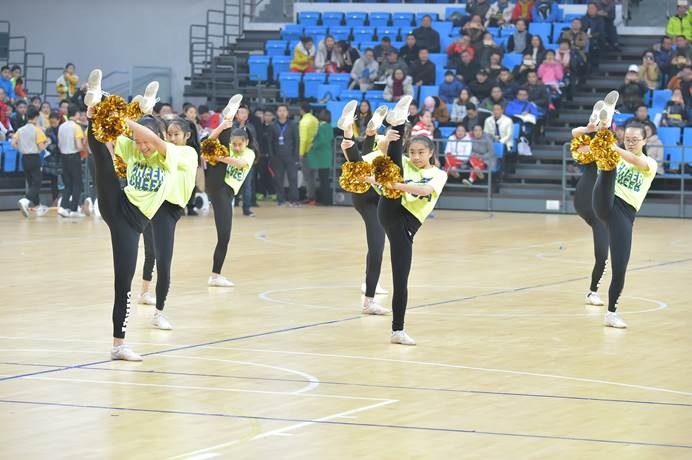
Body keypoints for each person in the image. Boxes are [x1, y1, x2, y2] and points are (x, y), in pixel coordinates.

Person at [84, 71, 184, 360]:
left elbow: (149, 136)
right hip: (117, 205)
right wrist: (100, 115)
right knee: (101, 156)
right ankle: (93, 101)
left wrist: (133, 115)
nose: (141, 146)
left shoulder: (169, 155)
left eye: (145, 142)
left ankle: (118, 345)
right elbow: (108, 137)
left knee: (123, 283)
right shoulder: (133, 149)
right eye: (138, 142)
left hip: (132, 225)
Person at [365, 96, 448, 344]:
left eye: (421, 152)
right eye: (412, 152)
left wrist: (396, 185)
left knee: (401, 279)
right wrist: (387, 140)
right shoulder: (406, 165)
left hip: (405, 224)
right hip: (391, 209)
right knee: (394, 165)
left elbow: (424, 190)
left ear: (431, 153)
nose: (416, 156)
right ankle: (398, 123)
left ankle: (397, 331)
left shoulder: (438, 174)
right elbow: (385, 158)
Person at [591, 120, 658, 329]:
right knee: (608, 166)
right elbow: (589, 150)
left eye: (635, 140)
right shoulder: (616, 155)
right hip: (605, 200)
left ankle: (611, 314)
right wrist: (596, 135)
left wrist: (613, 148)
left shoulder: (649, 163)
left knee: (619, 267)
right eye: (627, 139)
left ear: (644, 141)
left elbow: (635, 160)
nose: (630, 143)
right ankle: (604, 124)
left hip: (624, 213)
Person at [135, 117, 198, 328]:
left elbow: (157, 142)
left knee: (163, 261)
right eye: (169, 134)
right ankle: (148, 297)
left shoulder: (188, 153)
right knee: (153, 254)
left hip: (170, 209)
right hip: (157, 205)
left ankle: (158, 311)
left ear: (187, 136)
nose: (172, 138)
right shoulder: (163, 150)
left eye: (176, 135)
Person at [336, 100, 389, 310]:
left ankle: (348, 128)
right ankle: (369, 299)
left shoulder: (376, 154)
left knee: (358, 158)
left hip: (365, 196)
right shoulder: (382, 156)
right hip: (370, 199)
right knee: (377, 248)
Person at [204, 96, 255, 288]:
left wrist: (218, 157)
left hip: (224, 192)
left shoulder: (249, 153)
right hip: (219, 186)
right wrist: (221, 131)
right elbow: (211, 144)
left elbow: (240, 164)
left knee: (224, 236)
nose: (236, 147)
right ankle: (228, 117)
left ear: (247, 142)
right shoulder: (229, 149)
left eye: (240, 144)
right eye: (234, 144)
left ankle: (215, 275)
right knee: (212, 144)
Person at [569, 117, 609, 308]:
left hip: (603, 205)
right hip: (586, 200)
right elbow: (574, 133)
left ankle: (593, 292)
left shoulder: (614, 146)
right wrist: (587, 129)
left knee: (603, 254)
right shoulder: (588, 143)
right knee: (603, 253)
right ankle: (593, 293)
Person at [14, 107, 50, 217]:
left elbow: (13, 143)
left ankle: (38, 206)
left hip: (24, 158)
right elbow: (41, 147)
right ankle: (25, 200)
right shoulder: (37, 130)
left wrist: (22, 149)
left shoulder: (20, 130)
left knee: (31, 183)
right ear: (36, 117)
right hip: (34, 157)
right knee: (37, 182)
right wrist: (47, 142)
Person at [57, 104, 86, 218]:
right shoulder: (76, 127)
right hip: (74, 156)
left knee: (67, 184)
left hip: (63, 157)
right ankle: (74, 210)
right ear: (76, 114)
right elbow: (79, 146)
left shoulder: (61, 126)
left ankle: (63, 207)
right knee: (77, 184)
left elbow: (60, 145)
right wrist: (83, 147)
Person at [233, 105, 260, 217]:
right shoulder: (231, 126)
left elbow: (254, 142)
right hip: (233, 158)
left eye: (246, 113)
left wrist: (255, 155)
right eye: (241, 112)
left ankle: (247, 208)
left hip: (246, 158)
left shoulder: (251, 127)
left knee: (247, 184)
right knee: (232, 183)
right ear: (236, 115)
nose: (244, 115)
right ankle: (232, 204)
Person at [271, 104, 300, 206]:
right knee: (279, 179)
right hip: (277, 157)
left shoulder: (293, 125)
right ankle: (281, 200)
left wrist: (296, 156)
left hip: (291, 156)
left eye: (284, 110)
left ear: (287, 112)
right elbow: (270, 142)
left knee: (293, 178)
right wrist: (272, 156)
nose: (282, 113)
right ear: (277, 112)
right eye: (280, 110)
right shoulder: (273, 125)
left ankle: (294, 200)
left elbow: (297, 141)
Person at [306, 109, 334, 206]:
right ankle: (327, 200)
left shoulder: (321, 127)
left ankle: (325, 201)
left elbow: (321, 140)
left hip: (320, 156)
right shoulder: (329, 127)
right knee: (325, 179)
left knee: (323, 180)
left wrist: (312, 145)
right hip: (327, 155)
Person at [299, 103, 319, 206]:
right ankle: (312, 197)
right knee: (313, 176)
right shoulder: (315, 120)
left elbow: (304, 139)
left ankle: (310, 197)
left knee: (307, 176)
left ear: (302, 111)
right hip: (315, 151)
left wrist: (302, 152)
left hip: (306, 151)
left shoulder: (303, 121)